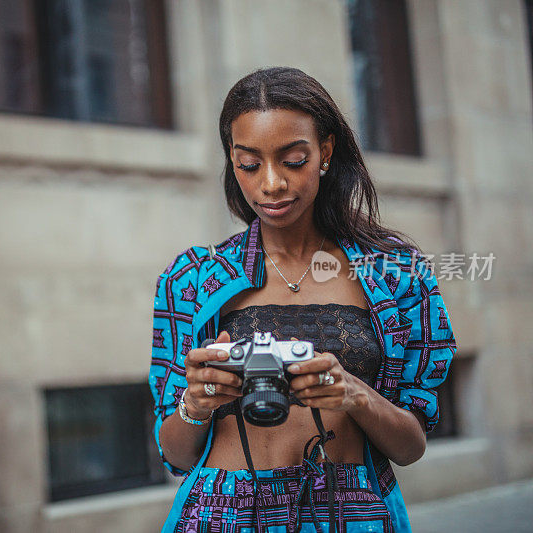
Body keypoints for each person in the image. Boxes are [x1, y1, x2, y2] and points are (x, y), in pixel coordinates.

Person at [148, 67, 457, 533]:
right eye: (248, 164)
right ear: (232, 162)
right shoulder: (192, 278)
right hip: (221, 514)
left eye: (293, 159)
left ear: (325, 152)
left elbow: (409, 447)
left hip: (353, 515)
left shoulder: (395, 273)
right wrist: (197, 402)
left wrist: (352, 392)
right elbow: (175, 453)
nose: (271, 184)